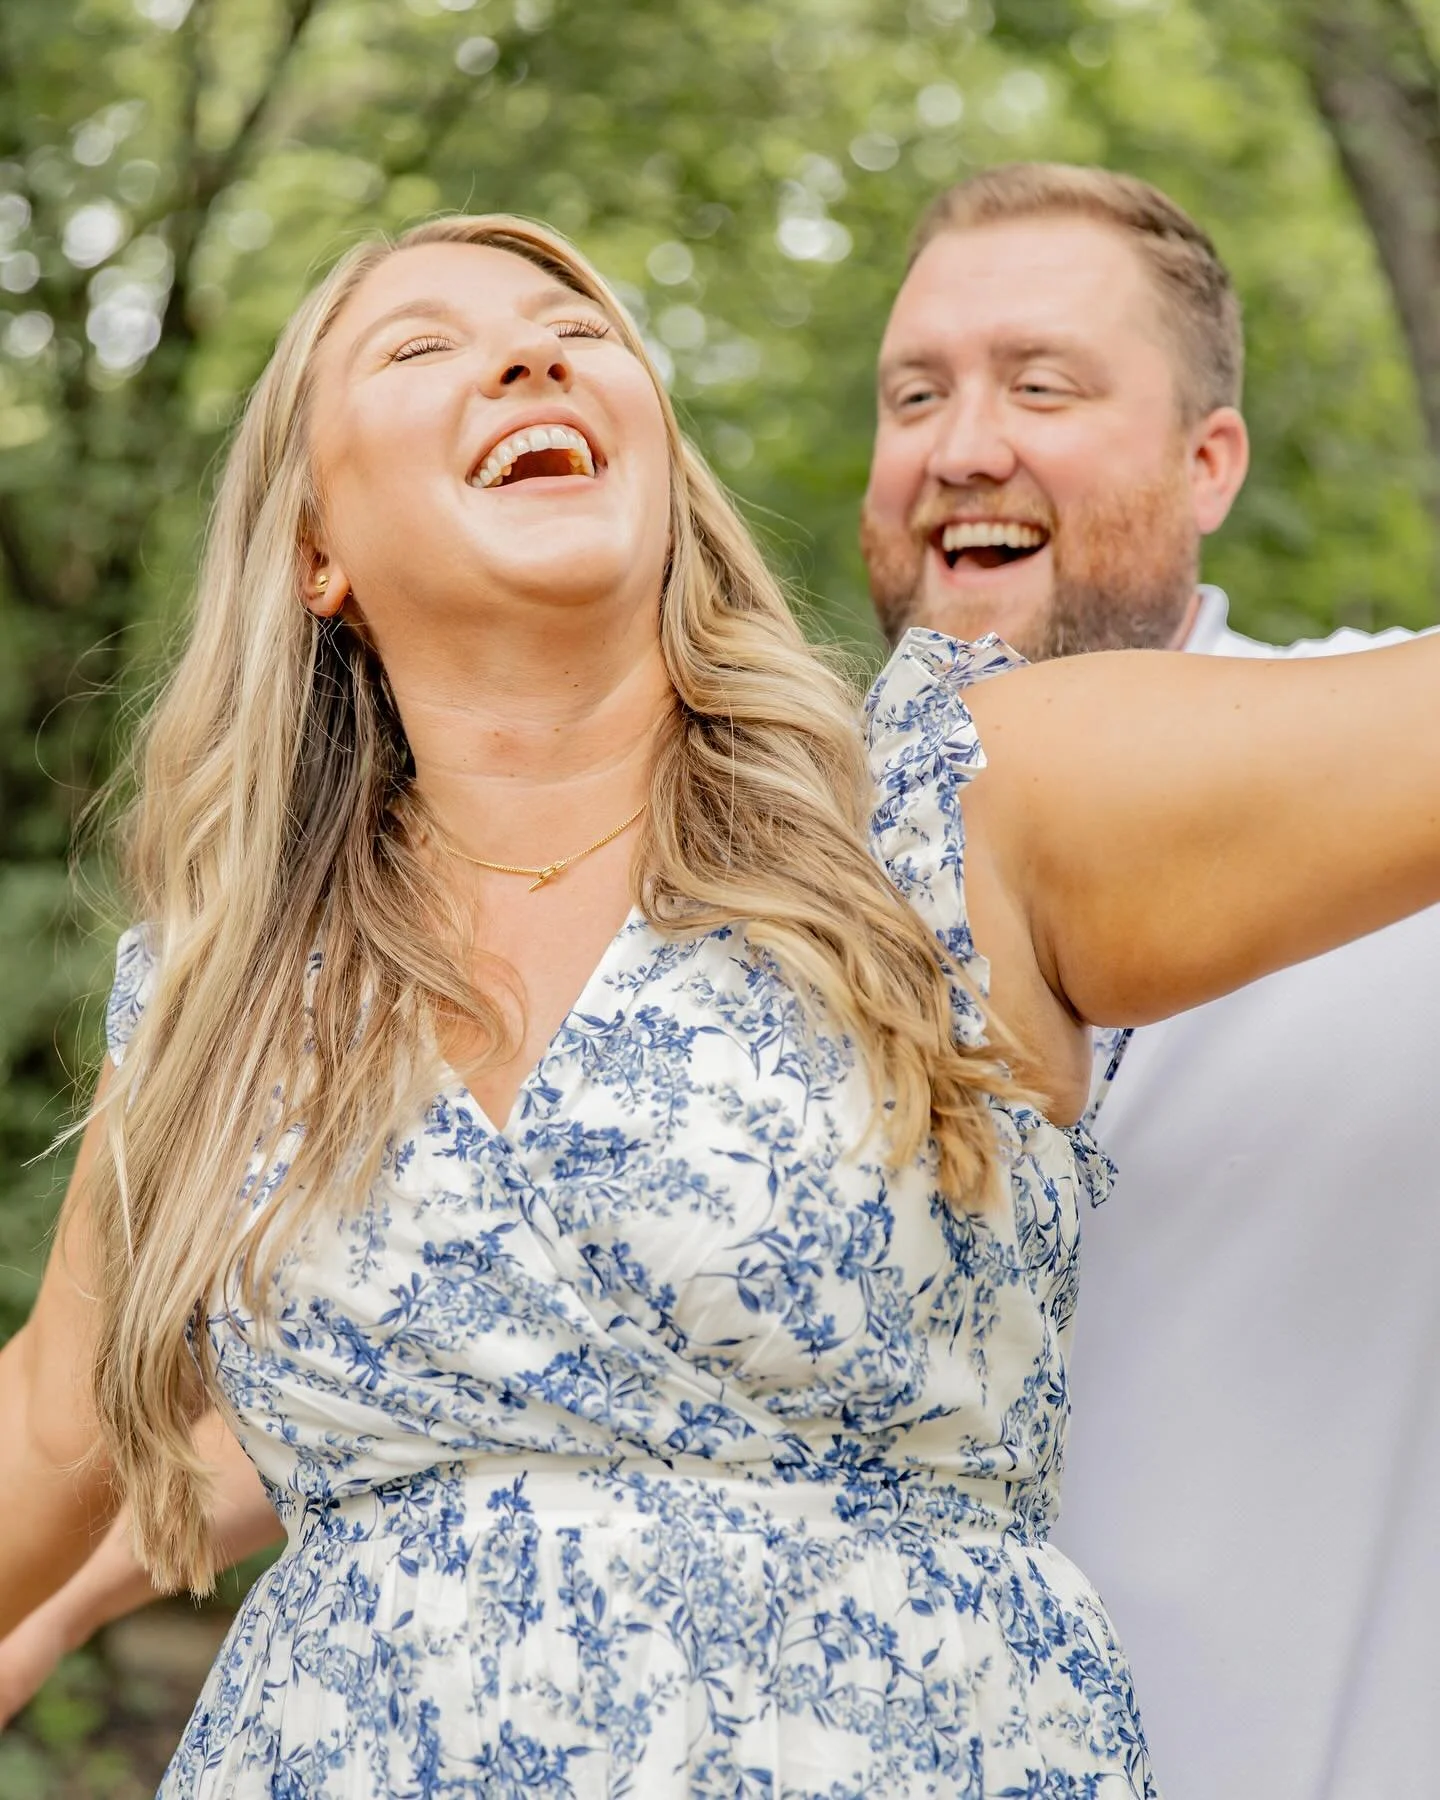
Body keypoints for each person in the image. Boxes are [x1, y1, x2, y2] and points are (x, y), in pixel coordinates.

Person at [4, 211, 1440, 1800]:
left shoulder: (951, 807)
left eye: (580, 333)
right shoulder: (229, 985)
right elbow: (51, 1431)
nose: (532, 356)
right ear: (313, 550)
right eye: (420, 347)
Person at [859, 161, 1440, 1800]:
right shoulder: (764, 871)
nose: (963, 446)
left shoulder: (1398, 783)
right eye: (916, 394)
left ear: (1210, 463)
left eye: (1042, 386)